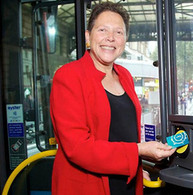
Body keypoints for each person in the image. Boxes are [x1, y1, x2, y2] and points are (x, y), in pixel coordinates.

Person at [49, 2, 175, 195]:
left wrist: (137, 168)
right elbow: (78, 148)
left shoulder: (125, 75)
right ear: (88, 36)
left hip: (126, 182)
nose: (110, 38)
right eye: (102, 30)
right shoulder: (68, 76)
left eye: (118, 32)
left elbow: (123, 133)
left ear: (125, 39)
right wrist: (139, 151)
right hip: (86, 187)